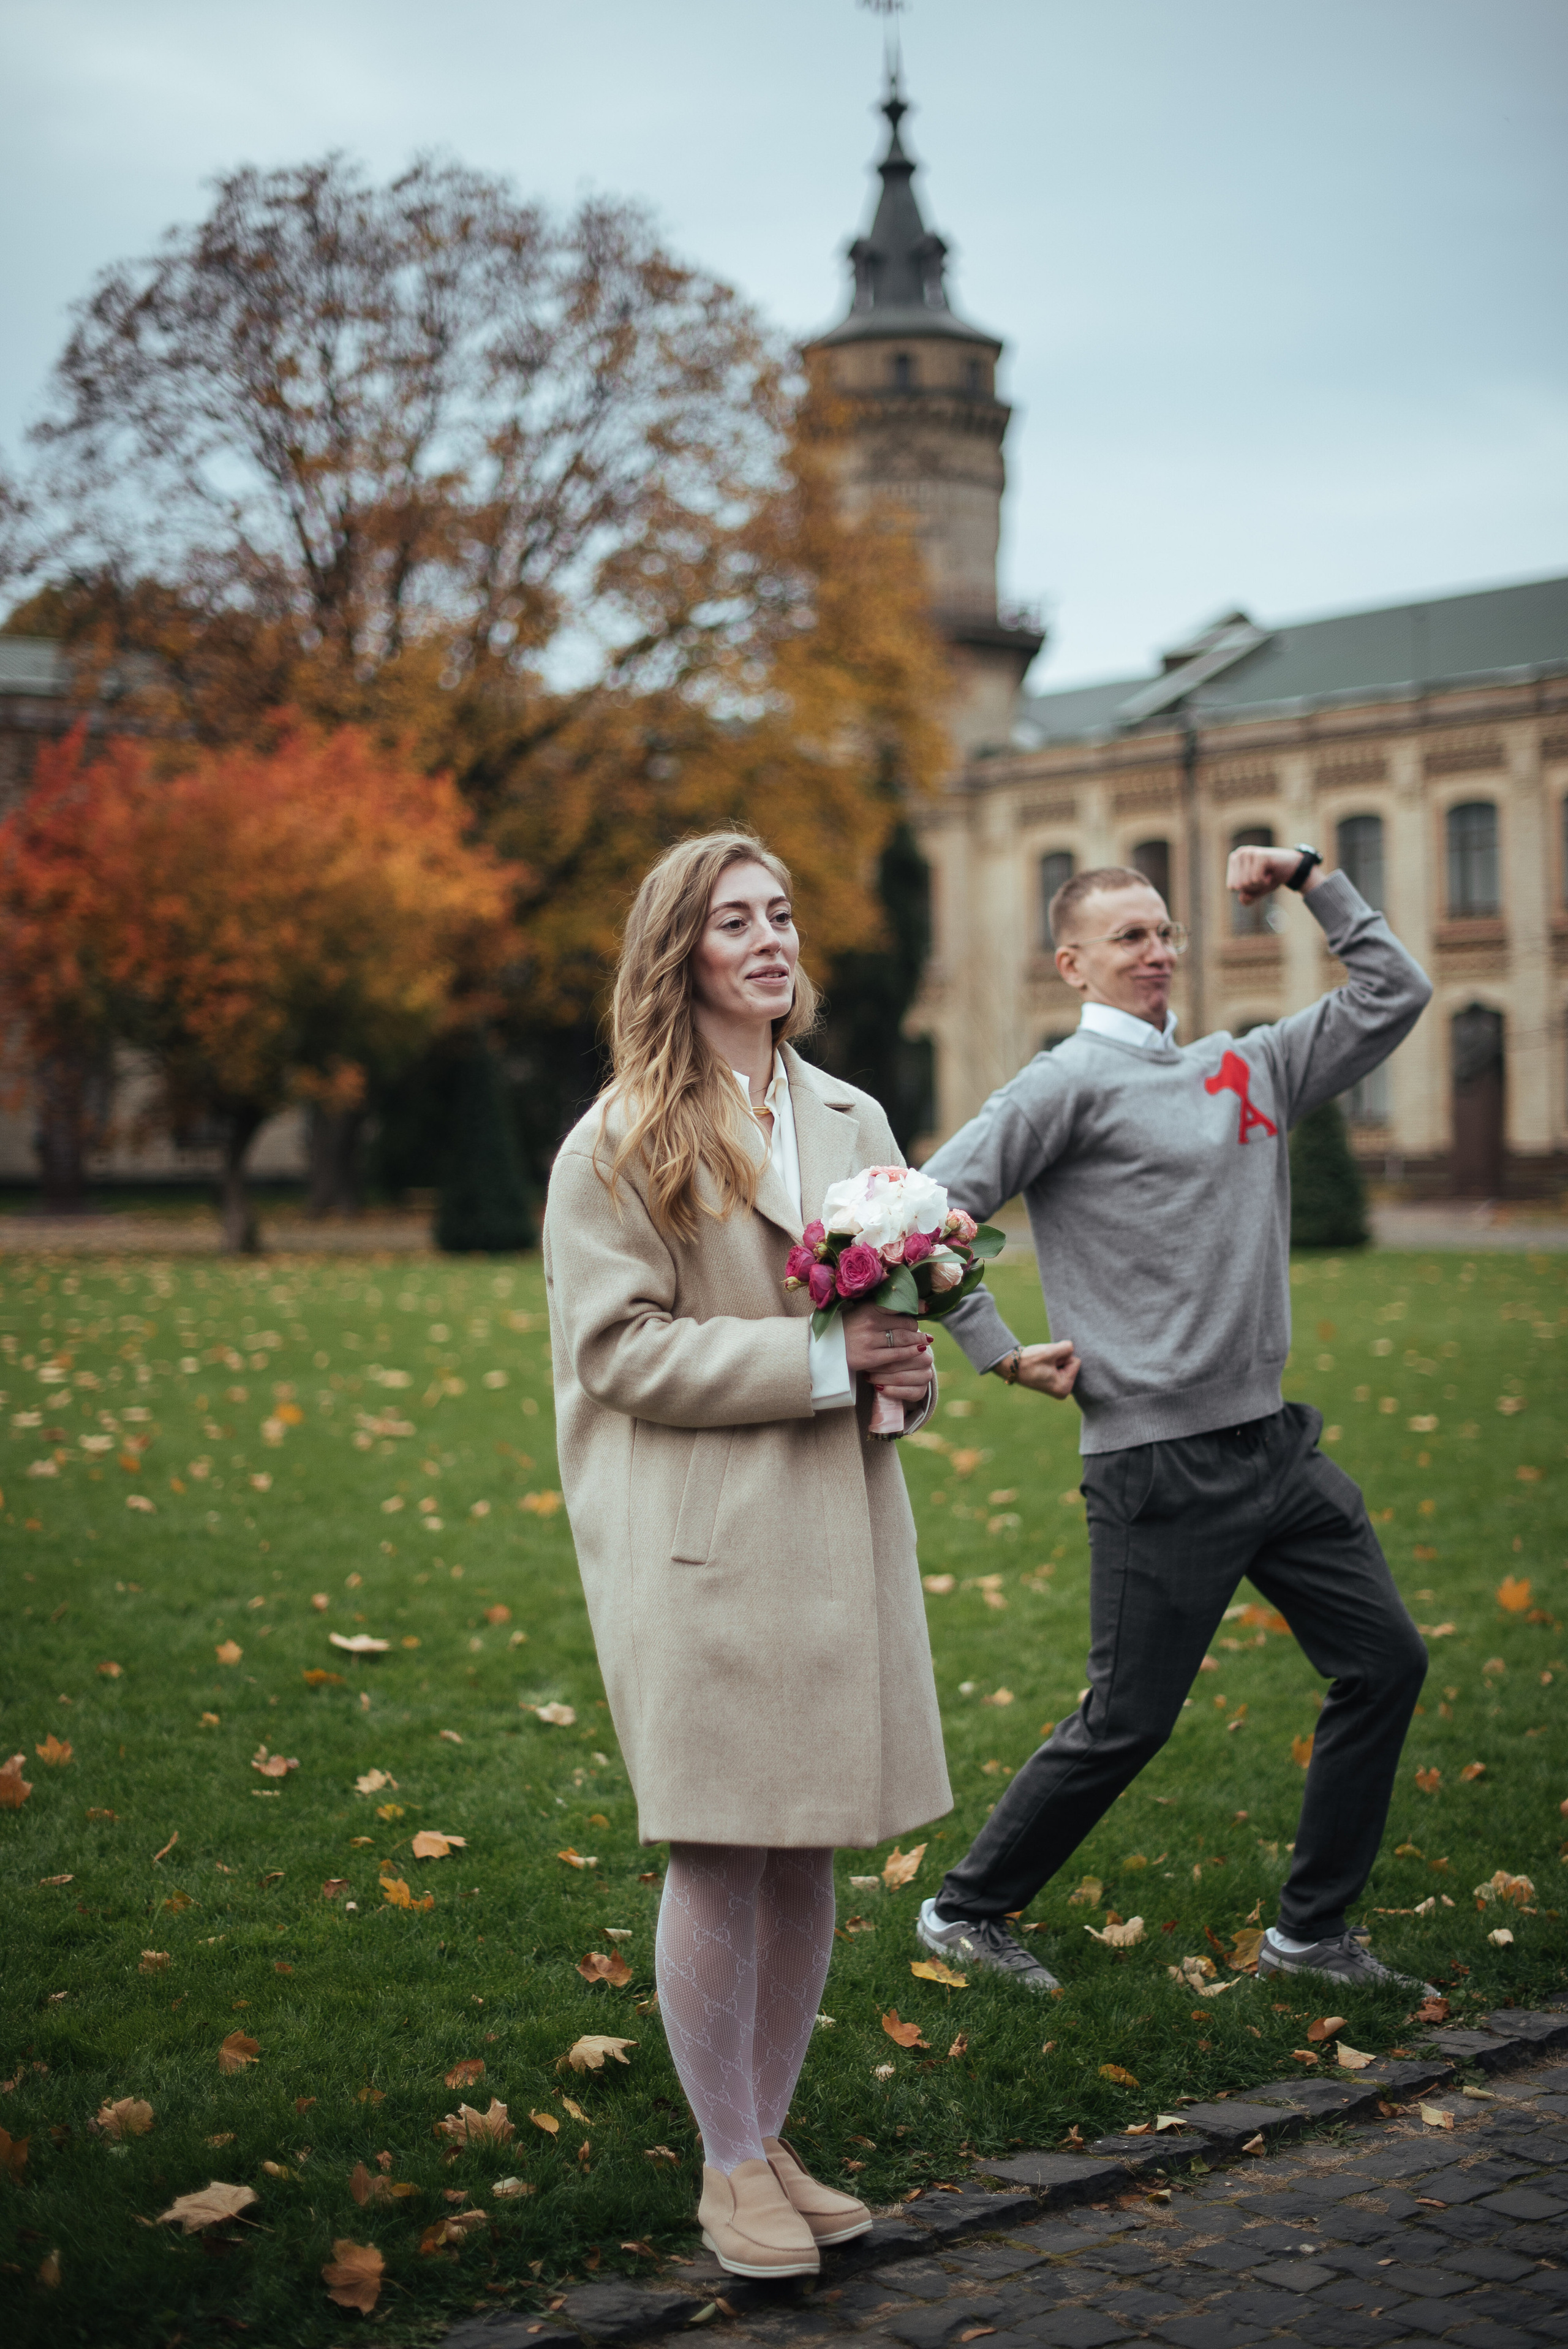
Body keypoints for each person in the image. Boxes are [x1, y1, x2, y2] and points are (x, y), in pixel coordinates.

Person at [913, 842, 1434, 1994]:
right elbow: (915, 1217)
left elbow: (1397, 990)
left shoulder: (1251, 1063)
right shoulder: (1059, 1086)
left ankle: (1311, 1936)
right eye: (1129, 937)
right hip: (1157, 1461)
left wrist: (1310, 877)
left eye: (1164, 931)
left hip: (1276, 1444)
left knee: (1385, 1661)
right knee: (1128, 1721)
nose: (1156, 952)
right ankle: (964, 1909)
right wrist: (998, 1348)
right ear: (1073, 964)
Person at [544, 830, 952, 2280]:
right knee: (723, 1844)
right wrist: (827, 1362)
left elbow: (888, 1305)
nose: (771, 940)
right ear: (681, 954)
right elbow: (617, 1352)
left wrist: (900, 1373)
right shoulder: (617, 1140)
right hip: (701, 1535)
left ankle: (766, 2139)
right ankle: (726, 2170)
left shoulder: (851, 1112)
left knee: (807, 1840)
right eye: (735, 921)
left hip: (837, 1521)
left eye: (780, 915)